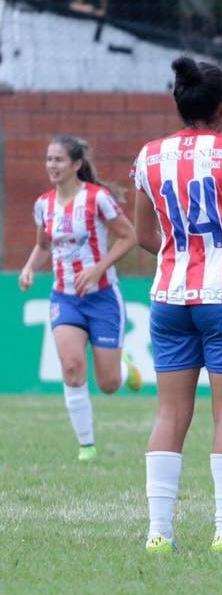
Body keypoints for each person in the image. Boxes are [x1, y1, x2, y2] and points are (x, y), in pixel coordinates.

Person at [132, 56, 222, 554]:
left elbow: (143, 235)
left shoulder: (149, 157)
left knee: (170, 415)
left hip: (169, 299)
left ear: (179, 105)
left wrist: (181, 253)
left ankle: (158, 533)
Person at [19, 136, 141, 462]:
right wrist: (30, 268)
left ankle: (123, 367)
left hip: (102, 297)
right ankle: (86, 446)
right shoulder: (43, 205)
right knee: (72, 368)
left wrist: (99, 268)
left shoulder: (97, 199)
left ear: (76, 165)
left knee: (109, 383)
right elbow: (44, 246)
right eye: (48, 159)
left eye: (58, 160)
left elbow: (130, 236)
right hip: (65, 297)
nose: (51, 166)